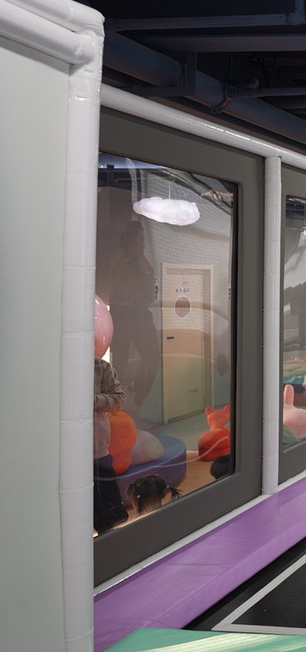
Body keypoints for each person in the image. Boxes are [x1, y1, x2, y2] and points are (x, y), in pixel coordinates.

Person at [108, 221, 159, 415]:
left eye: (144, 240)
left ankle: (138, 395)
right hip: (122, 315)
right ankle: (115, 403)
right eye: (140, 240)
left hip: (140, 314)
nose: (143, 245)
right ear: (130, 241)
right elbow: (121, 293)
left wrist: (140, 294)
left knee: (152, 356)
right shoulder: (118, 263)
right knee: (119, 362)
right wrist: (137, 294)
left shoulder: (144, 264)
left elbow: (150, 294)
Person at [93, 357, 129, 534]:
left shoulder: (100, 366)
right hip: (59, 454)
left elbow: (119, 400)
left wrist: (94, 400)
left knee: (107, 520)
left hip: (97, 452)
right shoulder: (48, 366)